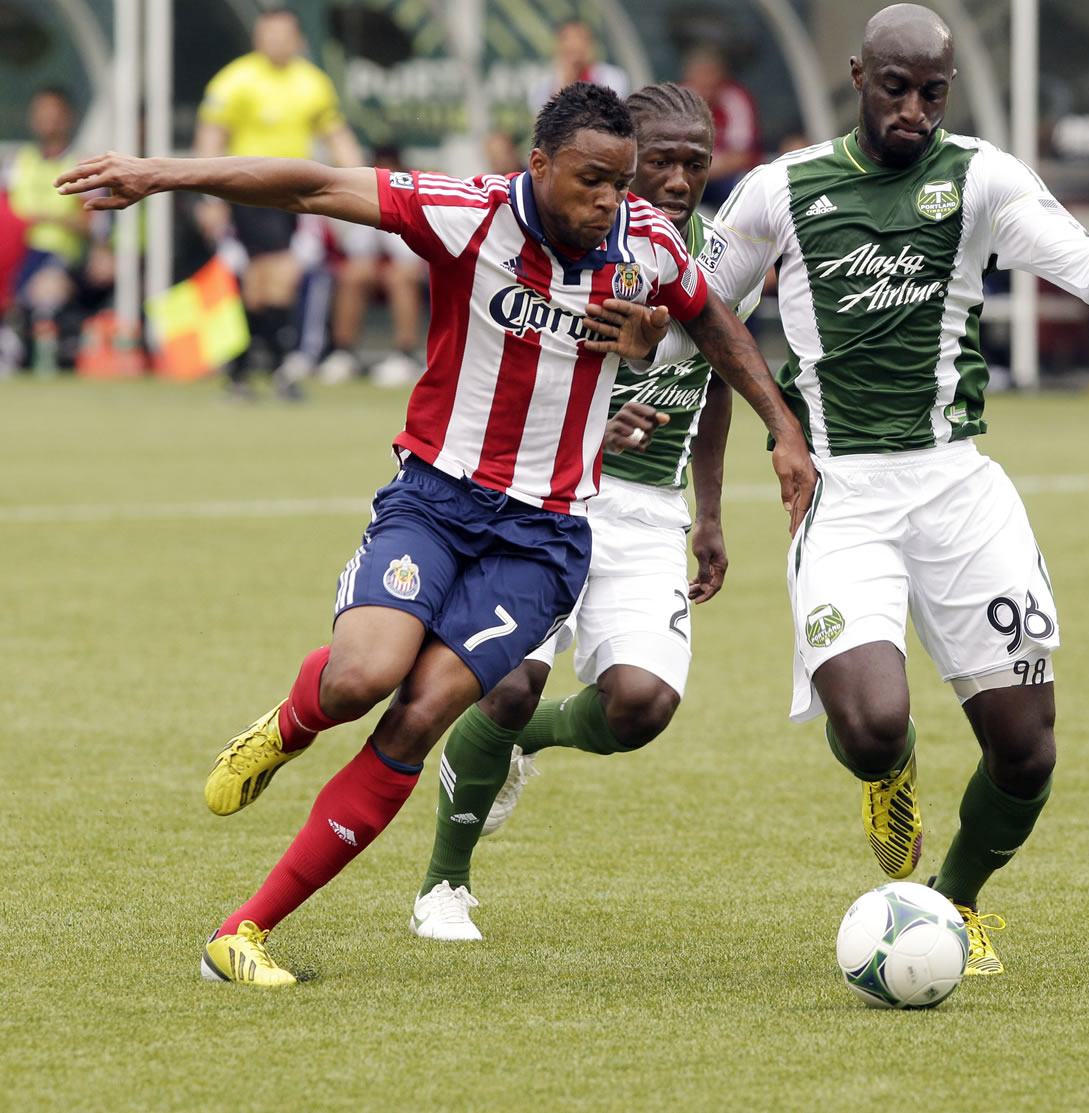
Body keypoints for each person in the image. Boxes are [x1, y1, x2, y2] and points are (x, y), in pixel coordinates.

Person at [57, 81, 817, 986]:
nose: (611, 203)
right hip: (436, 500)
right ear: (537, 166)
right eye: (591, 181)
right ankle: (294, 718)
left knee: (421, 713)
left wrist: (784, 428)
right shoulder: (465, 213)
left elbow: (713, 322)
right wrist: (162, 174)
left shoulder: (644, 244)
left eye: (621, 183)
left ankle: (247, 929)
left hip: (542, 538)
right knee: (361, 679)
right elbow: (310, 186)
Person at [699, 4, 1089, 976]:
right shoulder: (780, 191)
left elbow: (1078, 262)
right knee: (870, 726)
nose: (913, 109)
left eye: (932, 93)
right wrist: (758, 434)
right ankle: (888, 775)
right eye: (895, 88)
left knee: (1027, 749)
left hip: (958, 488)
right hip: (846, 492)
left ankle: (954, 901)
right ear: (858, 76)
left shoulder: (981, 174)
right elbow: (701, 309)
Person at [407, 82, 747, 940]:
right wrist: (602, 422)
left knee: (641, 707)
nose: (674, 179)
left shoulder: (721, 256)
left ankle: (519, 742)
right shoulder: (579, 238)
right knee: (511, 679)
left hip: (650, 512)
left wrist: (710, 511)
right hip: (551, 494)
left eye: (693, 163)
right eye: (658, 161)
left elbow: (714, 383)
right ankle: (444, 884)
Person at [195, 7, 364, 400]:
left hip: (294, 197)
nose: (274, 41)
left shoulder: (312, 83)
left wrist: (363, 178)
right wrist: (209, 196)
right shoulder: (236, 80)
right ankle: (276, 367)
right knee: (277, 274)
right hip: (247, 192)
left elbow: (336, 134)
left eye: (282, 34)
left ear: (298, 39)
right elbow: (211, 138)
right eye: (266, 33)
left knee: (262, 282)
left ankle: (245, 369)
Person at [319, 147, 428, 388]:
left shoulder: (416, 196)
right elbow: (355, 246)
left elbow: (412, 254)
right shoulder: (361, 195)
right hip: (374, 270)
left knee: (400, 277)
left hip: (409, 273)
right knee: (353, 273)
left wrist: (390, 217)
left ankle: (406, 355)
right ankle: (343, 353)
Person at [4, 86, 90, 373]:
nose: (48, 119)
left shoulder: (79, 164)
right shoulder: (19, 160)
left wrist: (47, 218)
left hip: (58, 254)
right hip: (16, 254)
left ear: (68, 118)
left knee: (44, 291)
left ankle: (40, 356)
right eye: (42, 113)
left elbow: (89, 222)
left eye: (54, 113)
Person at [679, 45, 761, 210]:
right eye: (702, 74)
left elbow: (741, 156)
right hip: (688, 174)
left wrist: (702, 167)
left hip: (724, 178)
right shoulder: (679, 98)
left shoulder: (736, 98)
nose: (707, 80)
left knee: (744, 192)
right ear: (690, 76)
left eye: (712, 73)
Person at [527, 20, 630, 114]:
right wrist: (563, 82)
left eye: (580, 38)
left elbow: (610, 113)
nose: (574, 45)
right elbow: (547, 122)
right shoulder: (542, 86)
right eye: (567, 39)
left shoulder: (612, 77)